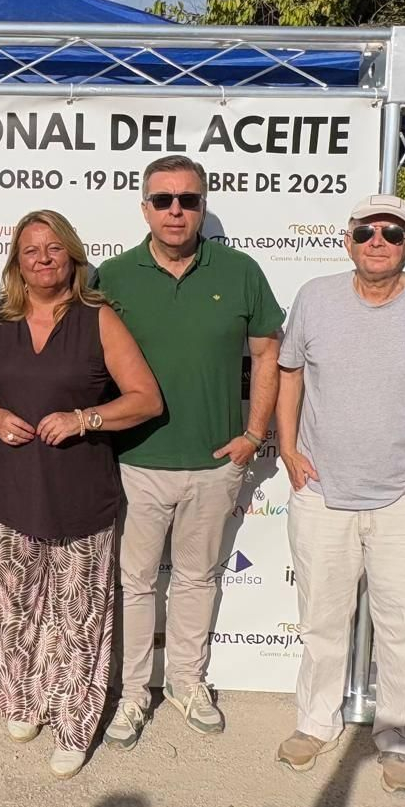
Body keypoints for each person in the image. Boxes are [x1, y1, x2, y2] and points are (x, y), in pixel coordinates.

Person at [274, 193, 405, 795]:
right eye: (366, 230)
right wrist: (287, 449)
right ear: (348, 239)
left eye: (391, 233)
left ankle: (398, 740)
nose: (377, 241)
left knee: (403, 628)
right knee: (321, 621)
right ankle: (316, 724)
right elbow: (290, 373)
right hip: (321, 493)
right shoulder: (315, 298)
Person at [94, 154, 285, 749]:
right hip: (135, 462)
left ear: (203, 206)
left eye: (189, 200)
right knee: (136, 583)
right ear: (144, 207)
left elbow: (269, 355)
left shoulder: (242, 270)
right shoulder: (112, 276)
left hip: (213, 462)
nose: (176, 211)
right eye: (163, 200)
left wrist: (253, 436)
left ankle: (186, 682)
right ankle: (130, 695)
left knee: (198, 579)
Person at [0, 210, 162, 778]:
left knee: (77, 619)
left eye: (54, 249)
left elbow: (146, 399)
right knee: (13, 609)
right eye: (31, 250)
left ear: (73, 257)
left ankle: (74, 725)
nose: (43, 259)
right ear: (16, 261)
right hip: (10, 491)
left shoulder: (98, 318)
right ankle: (22, 700)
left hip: (79, 495)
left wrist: (86, 417)